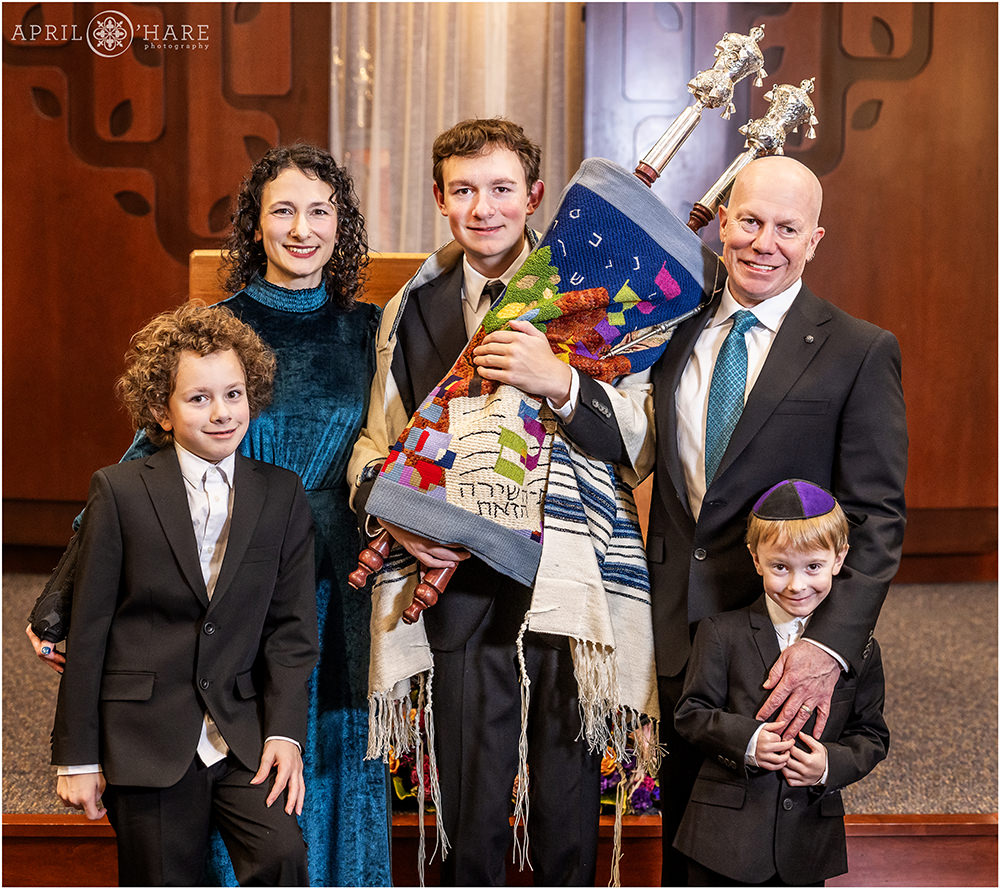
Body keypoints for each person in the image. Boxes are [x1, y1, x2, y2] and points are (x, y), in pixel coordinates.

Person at [30, 144, 390, 887]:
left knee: (322, 749)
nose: (302, 229)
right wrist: (59, 597)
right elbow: (136, 470)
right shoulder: (217, 327)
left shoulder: (370, 329)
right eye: (282, 211)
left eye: (319, 211)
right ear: (255, 226)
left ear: (342, 224)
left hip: (339, 573)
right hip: (233, 569)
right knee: (223, 746)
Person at [348, 118, 655, 886]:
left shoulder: (586, 291)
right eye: (463, 190)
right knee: (469, 791)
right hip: (457, 581)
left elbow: (639, 438)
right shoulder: (413, 306)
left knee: (565, 792)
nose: (483, 207)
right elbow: (380, 438)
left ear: (535, 195)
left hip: (564, 575)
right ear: (438, 198)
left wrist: (560, 382)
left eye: (501, 188)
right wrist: (396, 518)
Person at [646, 155, 907, 883]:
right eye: (750, 221)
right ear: (723, 221)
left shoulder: (859, 350)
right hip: (676, 628)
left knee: (771, 853)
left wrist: (828, 646)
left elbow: (878, 516)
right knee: (684, 843)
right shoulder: (669, 326)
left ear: (814, 240)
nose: (764, 243)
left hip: (784, 642)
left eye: (787, 229)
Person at [52, 302, 318, 886]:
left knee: (282, 855)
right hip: (145, 737)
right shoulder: (119, 492)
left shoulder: (282, 494)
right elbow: (90, 630)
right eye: (198, 398)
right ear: (161, 411)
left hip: (241, 737)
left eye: (233, 394)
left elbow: (292, 632)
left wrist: (284, 734)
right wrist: (77, 756)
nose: (221, 413)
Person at [673, 479, 889, 886]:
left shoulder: (859, 650)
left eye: (813, 567)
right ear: (756, 559)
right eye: (780, 567)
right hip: (722, 844)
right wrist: (749, 741)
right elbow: (691, 714)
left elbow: (871, 735)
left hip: (805, 845)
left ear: (840, 558)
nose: (796, 585)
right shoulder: (720, 632)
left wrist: (828, 765)